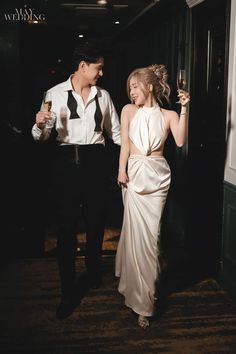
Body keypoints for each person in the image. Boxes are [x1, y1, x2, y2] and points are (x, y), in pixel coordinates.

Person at [32, 41, 121, 319]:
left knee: (96, 223)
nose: (101, 74)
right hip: (66, 165)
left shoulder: (103, 96)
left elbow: (116, 133)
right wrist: (39, 123)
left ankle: (93, 270)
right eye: (99, 68)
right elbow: (41, 136)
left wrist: (142, 152)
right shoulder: (54, 94)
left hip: (96, 162)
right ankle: (68, 292)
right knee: (67, 229)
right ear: (83, 66)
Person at [115, 64, 190, 329]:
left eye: (134, 86)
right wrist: (121, 170)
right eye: (129, 88)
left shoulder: (168, 114)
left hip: (157, 178)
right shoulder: (127, 111)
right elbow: (125, 143)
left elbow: (180, 141)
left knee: (152, 239)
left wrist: (184, 108)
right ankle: (141, 303)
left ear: (149, 86)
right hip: (133, 177)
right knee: (135, 238)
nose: (131, 92)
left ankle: (147, 298)